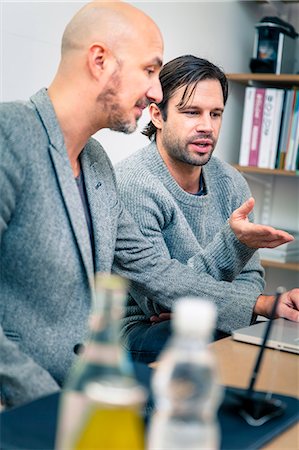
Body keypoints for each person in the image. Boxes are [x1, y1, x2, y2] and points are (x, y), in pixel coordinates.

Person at [0, 2, 294, 408]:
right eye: (150, 70)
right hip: (25, 402)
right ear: (99, 61)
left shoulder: (96, 163)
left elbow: (157, 273)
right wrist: (44, 404)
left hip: (83, 391)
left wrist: (260, 304)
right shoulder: (8, 136)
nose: (156, 91)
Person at [115, 55, 299, 363]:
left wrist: (198, 306)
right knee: (193, 332)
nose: (207, 126)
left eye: (216, 114)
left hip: (204, 323)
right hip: (139, 330)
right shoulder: (133, 183)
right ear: (157, 116)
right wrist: (235, 247)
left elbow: (251, 277)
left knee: (258, 333)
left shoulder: (230, 181)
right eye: (191, 112)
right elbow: (158, 301)